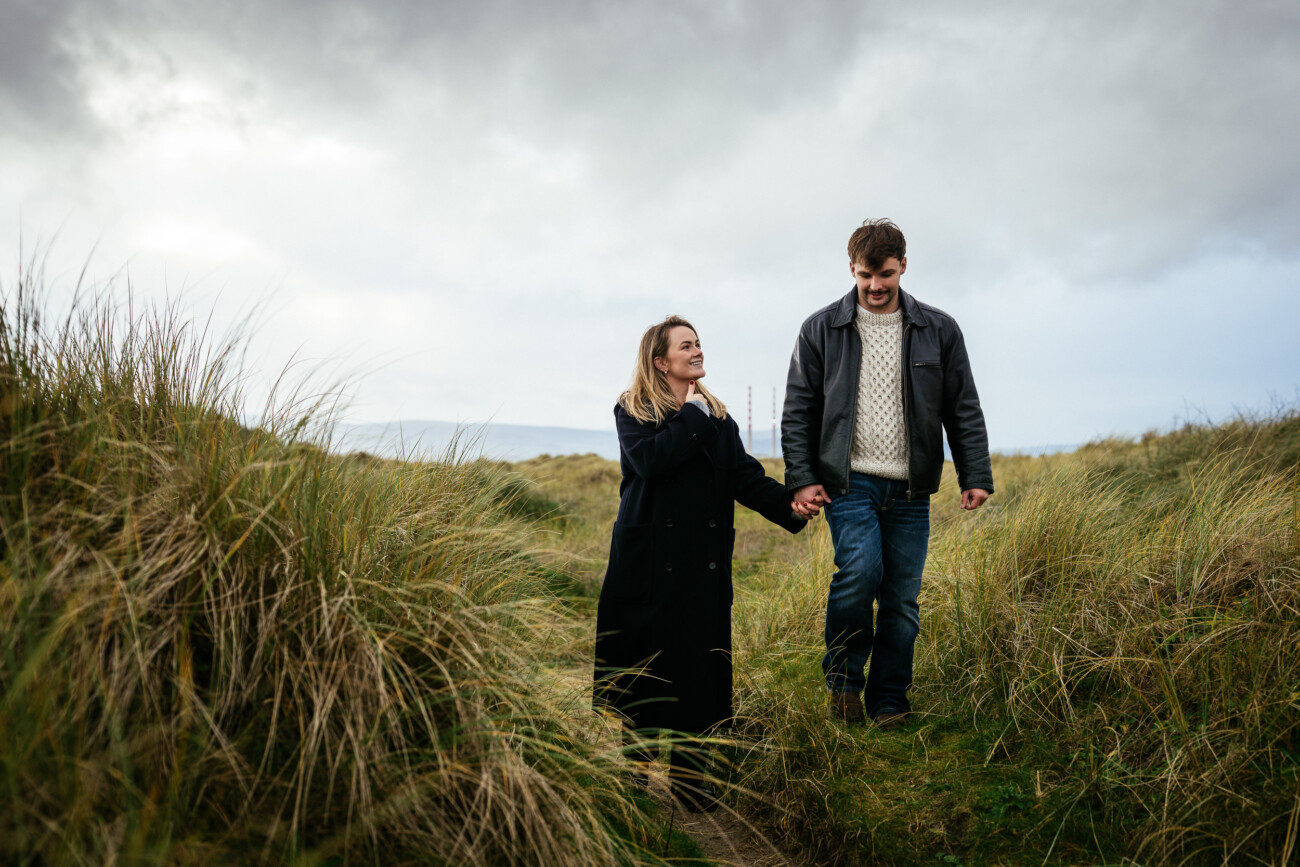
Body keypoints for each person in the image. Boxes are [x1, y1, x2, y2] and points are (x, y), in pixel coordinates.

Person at [782, 219, 993, 729]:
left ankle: (889, 700)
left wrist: (975, 473)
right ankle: (844, 685)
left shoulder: (938, 329)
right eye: (865, 276)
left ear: (903, 267)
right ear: (851, 269)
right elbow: (798, 411)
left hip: (910, 488)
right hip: (847, 483)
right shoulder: (820, 329)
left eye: (886, 276)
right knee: (859, 575)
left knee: (900, 596)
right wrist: (802, 477)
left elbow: (961, 406)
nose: (875, 286)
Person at [594, 315, 807, 811]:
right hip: (647, 568)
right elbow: (652, 462)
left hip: (701, 568)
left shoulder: (718, 420)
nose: (697, 351)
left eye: (698, 344)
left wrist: (791, 506)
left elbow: (745, 478)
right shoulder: (633, 411)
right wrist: (691, 415)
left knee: (697, 674)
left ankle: (691, 782)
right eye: (686, 346)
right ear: (660, 360)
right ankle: (638, 776)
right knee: (646, 670)